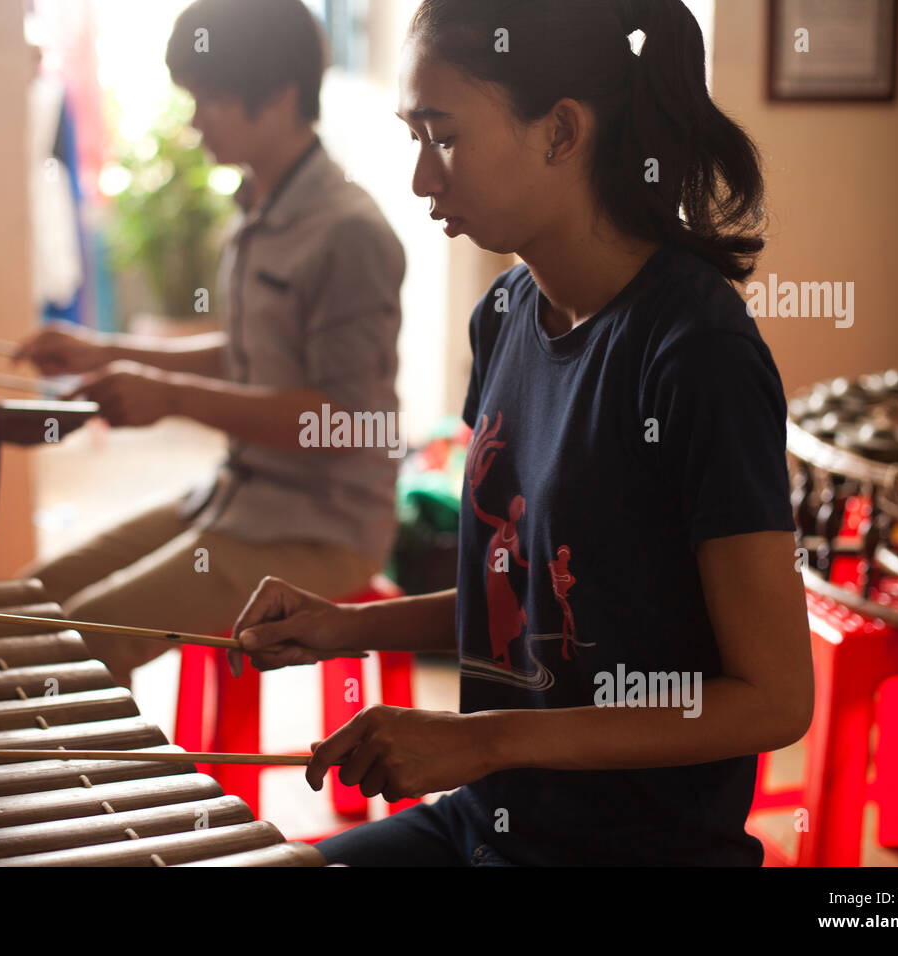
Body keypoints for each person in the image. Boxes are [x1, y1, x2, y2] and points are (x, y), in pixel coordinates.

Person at [229, 0, 814, 866]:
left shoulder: (697, 356)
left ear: (561, 132)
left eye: (444, 136)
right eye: (413, 137)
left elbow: (773, 700)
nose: (423, 179)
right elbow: (532, 605)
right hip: (486, 822)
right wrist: (347, 630)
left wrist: (489, 740)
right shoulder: (502, 317)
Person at [17, 0, 405, 687]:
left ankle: (105, 794)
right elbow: (252, 353)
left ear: (281, 96)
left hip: (322, 524)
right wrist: (103, 352)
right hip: (239, 493)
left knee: (78, 639)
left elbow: (340, 419)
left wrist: (171, 397)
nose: (195, 123)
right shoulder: (258, 206)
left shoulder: (348, 233)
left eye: (211, 100)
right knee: (24, 602)